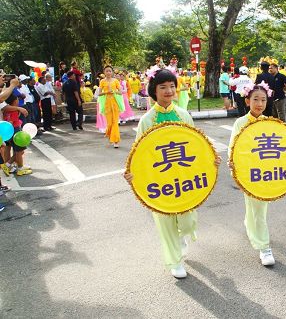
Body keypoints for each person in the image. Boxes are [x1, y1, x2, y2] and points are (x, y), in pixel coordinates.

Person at [124, 69, 221, 278]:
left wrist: (211, 159)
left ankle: (181, 236)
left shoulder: (184, 115)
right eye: (162, 87)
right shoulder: (147, 121)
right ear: (153, 90)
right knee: (165, 222)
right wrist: (133, 174)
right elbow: (139, 153)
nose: (168, 91)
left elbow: (196, 145)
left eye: (171, 86)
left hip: (184, 178)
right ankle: (174, 261)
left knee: (188, 221)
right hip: (160, 180)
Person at [228, 84, 277, 266]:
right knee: (257, 208)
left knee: (258, 207)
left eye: (263, 100)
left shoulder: (269, 122)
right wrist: (234, 167)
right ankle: (264, 247)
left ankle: (251, 227)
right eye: (255, 99)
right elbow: (233, 148)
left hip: (265, 173)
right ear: (247, 101)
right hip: (248, 173)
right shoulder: (240, 123)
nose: (260, 103)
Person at [2, 94, 32, 176]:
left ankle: (8, 165)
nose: (18, 101)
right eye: (17, 99)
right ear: (15, 101)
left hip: (7, 133)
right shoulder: (14, 111)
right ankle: (20, 168)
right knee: (19, 151)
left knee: (9, 148)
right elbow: (11, 123)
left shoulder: (5, 110)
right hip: (15, 132)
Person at [98, 66, 122, 148]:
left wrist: (115, 91)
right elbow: (99, 93)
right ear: (104, 72)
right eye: (107, 71)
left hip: (115, 104)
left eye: (110, 71)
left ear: (112, 72)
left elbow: (121, 92)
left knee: (115, 122)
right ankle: (110, 134)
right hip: (107, 104)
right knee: (109, 123)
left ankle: (116, 141)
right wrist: (106, 92)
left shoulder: (115, 81)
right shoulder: (102, 81)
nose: (108, 72)